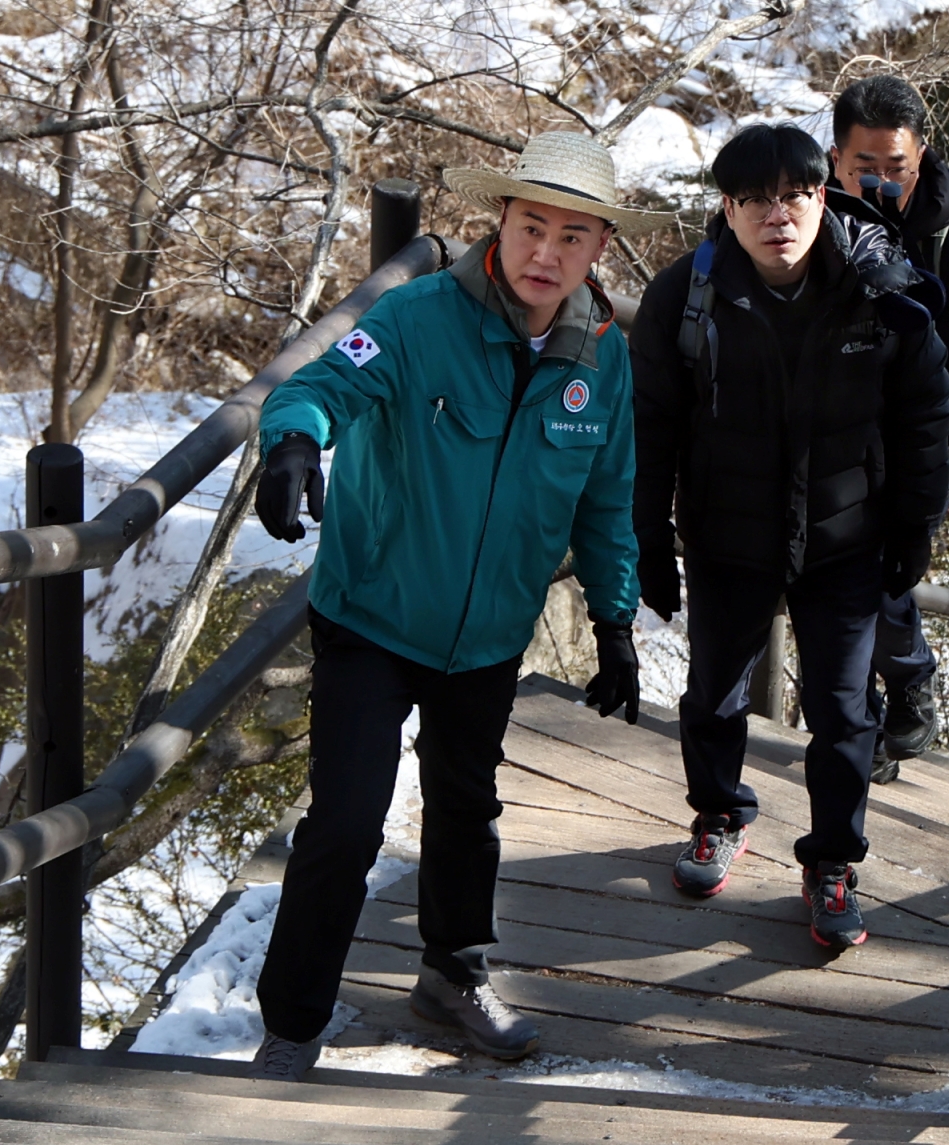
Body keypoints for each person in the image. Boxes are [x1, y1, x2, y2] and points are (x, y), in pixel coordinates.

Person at [245, 132, 672, 1081]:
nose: (544, 254)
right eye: (530, 227)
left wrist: (614, 620)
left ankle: (452, 974)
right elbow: (319, 385)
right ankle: (294, 1022)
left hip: (487, 635)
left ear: (599, 247)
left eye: (571, 236)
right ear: (502, 224)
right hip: (372, 614)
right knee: (349, 823)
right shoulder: (416, 319)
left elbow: (608, 499)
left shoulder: (601, 361)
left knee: (465, 810)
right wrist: (293, 445)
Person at [629, 123, 949, 952]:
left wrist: (915, 527)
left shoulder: (881, 287)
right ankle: (718, 815)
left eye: (796, 194)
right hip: (726, 533)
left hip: (847, 539)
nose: (780, 214)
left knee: (845, 713)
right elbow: (651, 424)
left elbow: (925, 414)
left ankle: (834, 862)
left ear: (821, 196)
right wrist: (649, 536)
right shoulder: (685, 297)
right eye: (757, 199)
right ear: (727, 209)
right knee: (713, 694)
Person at [830, 75, 949, 777]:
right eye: (863, 167)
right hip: (837, 439)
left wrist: (922, 426)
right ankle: (865, 721)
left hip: (923, 446)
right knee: (834, 578)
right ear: (836, 159)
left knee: (878, 576)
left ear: (921, 156)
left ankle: (902, 686)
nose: (880, 181)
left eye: (895, 168)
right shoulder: (811, 221)